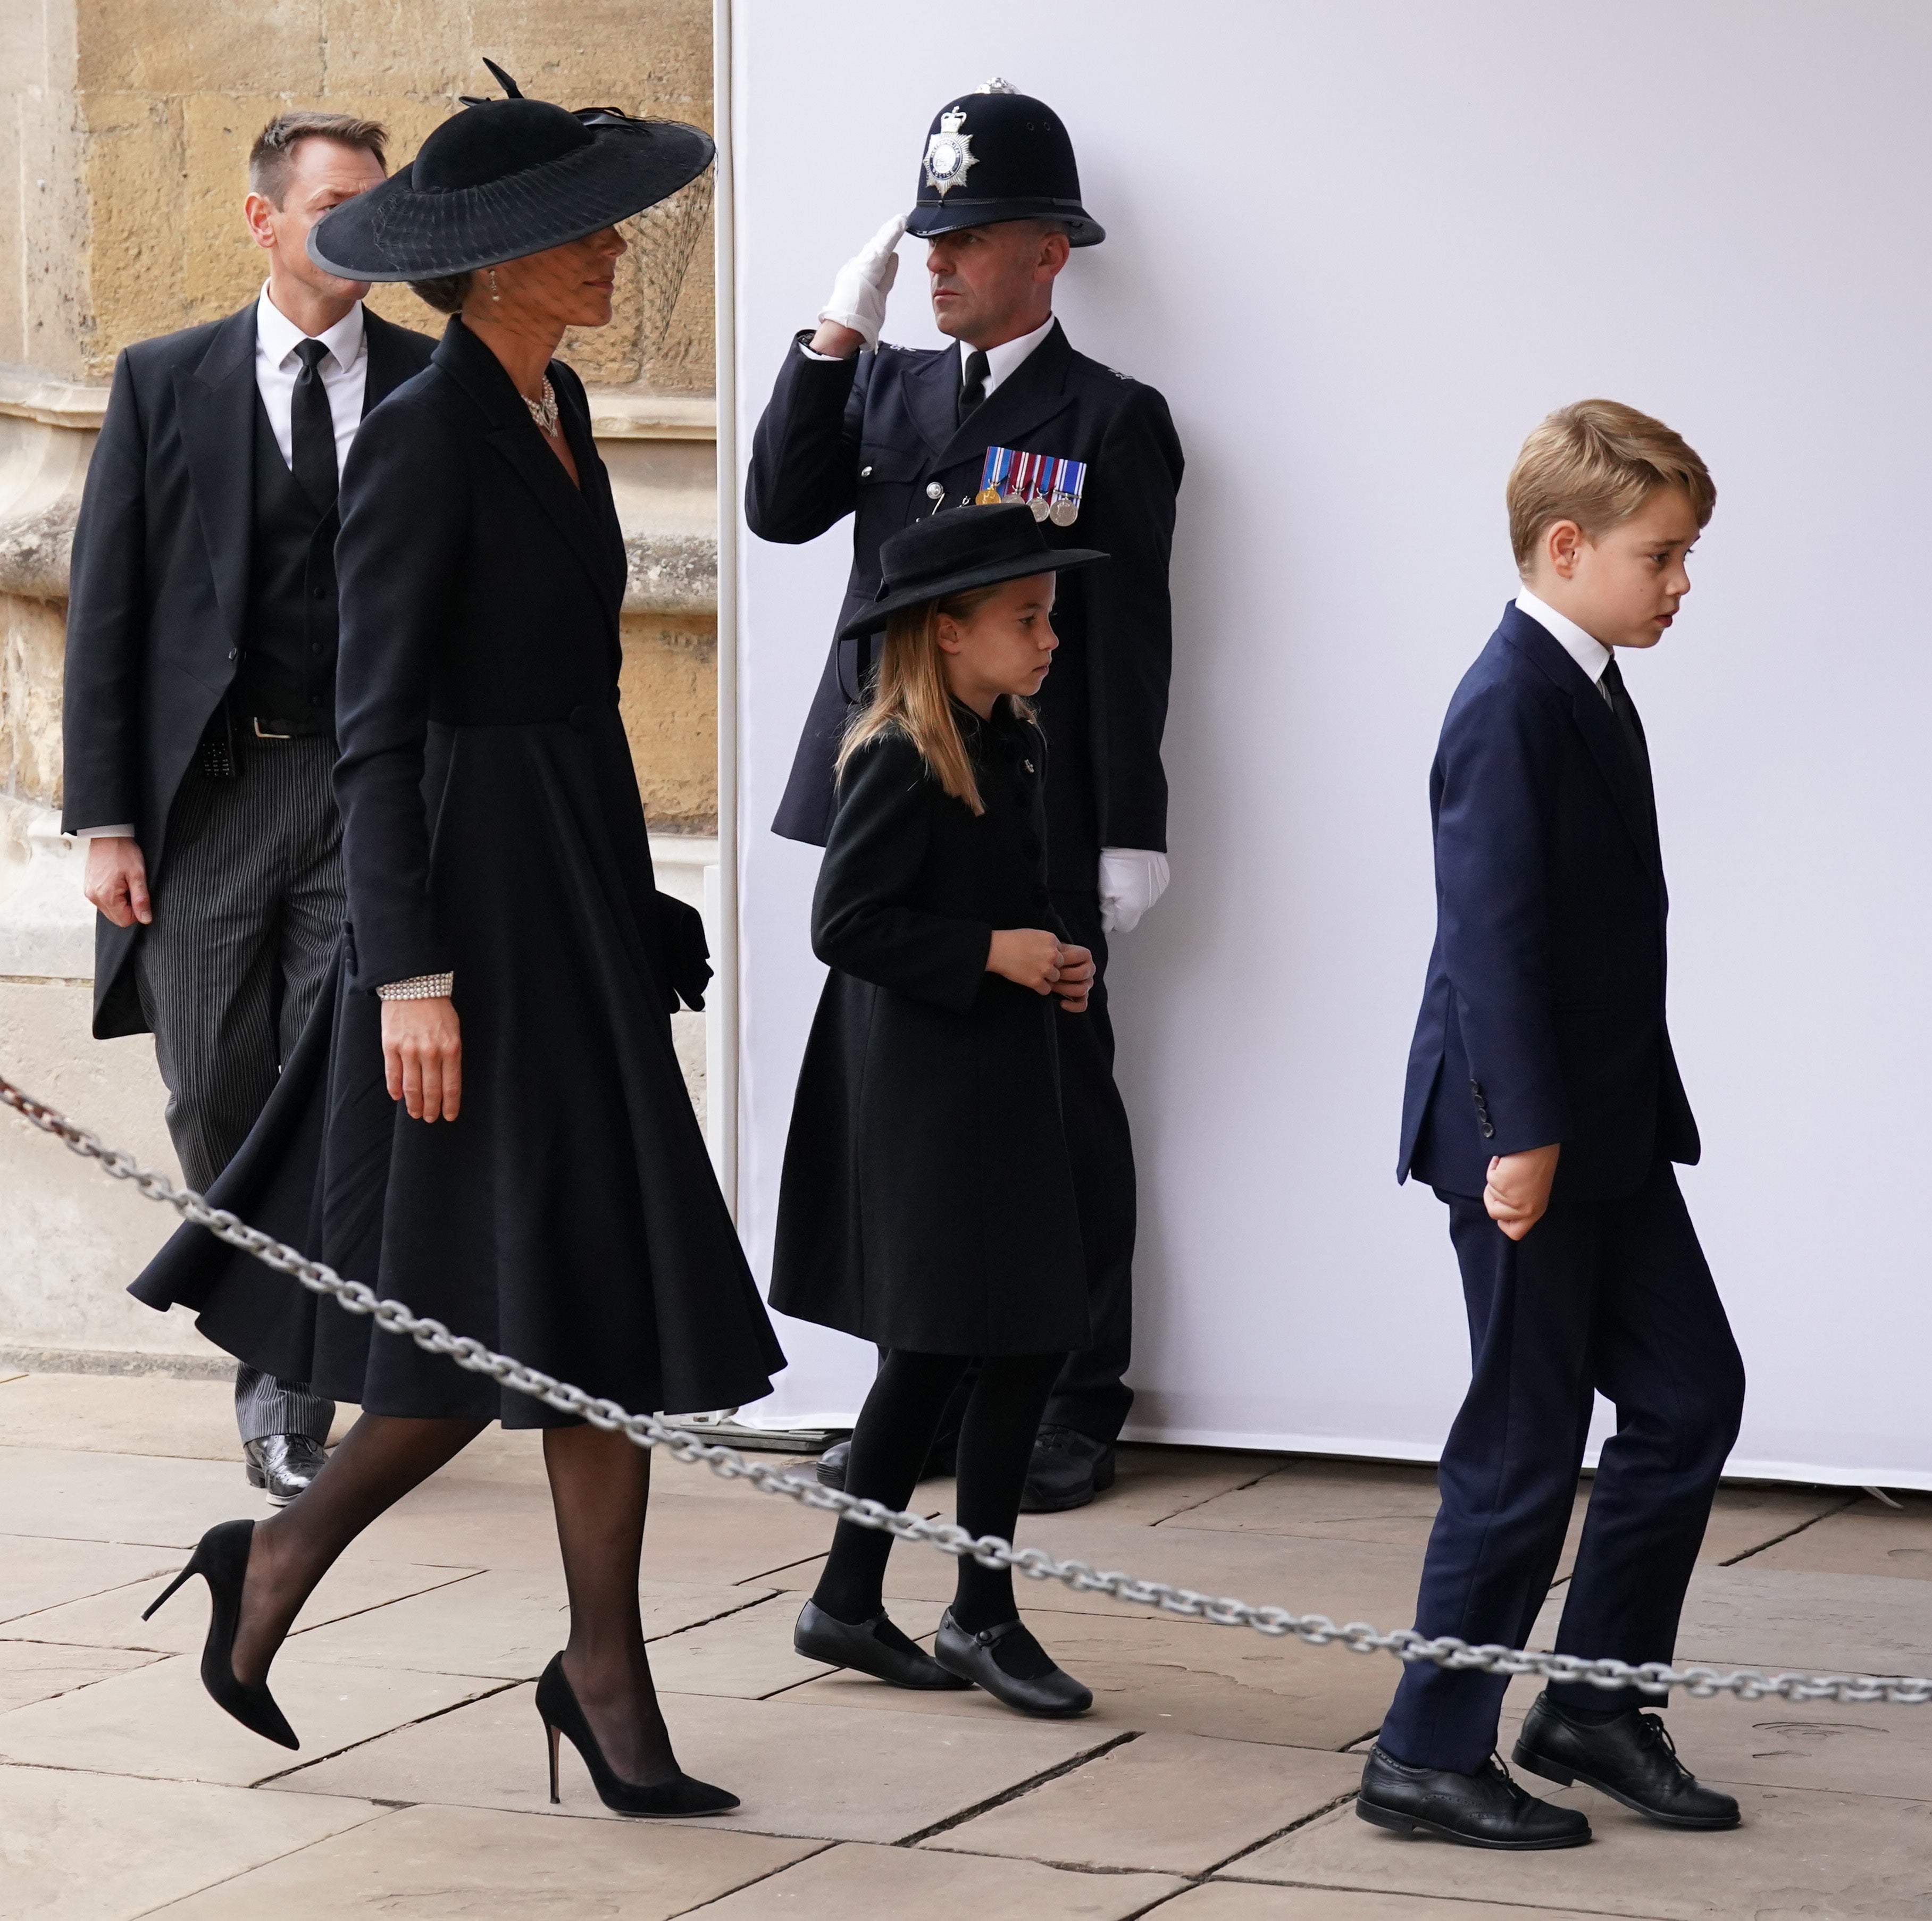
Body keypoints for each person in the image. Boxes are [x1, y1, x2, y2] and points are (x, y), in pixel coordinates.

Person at [129, 68, 784, 1817]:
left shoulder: (551, 399)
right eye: (588, 231)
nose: (618, 250)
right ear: (497, 262)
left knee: (572, 1301)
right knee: (523, 1307)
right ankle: (349, 1588)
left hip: (562, 892)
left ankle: (539, 1650)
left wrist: (628, 888)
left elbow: (564, 690)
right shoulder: (423, 432)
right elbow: (377, 717)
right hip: (462, 919)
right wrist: (407, 971)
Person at [748, 81, 1184, 1513]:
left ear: (1049, 250)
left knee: (1061, 1116)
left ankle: (1074, 1392)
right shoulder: (882, 383)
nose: (936, 262)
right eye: (926, 238)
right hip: (891, 806)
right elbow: (778, 503)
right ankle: (915, 1393)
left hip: (1036, 820)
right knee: (909, 1121)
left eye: (967, 239)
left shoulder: (1111, 416)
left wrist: (1128, 823)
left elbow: (1128, 639)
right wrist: (834, 332)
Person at [1357, 401, 1747, 1849]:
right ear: (1567, 545)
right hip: (1527, 1136)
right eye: (1663, 553)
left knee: (1690, 1393)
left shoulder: (1584, 678)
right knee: (1523, 1442)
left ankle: (1591, 1697)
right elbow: (1492, 933)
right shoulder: (1508, 694)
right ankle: (1421, 1748)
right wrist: (1519, 1134)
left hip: (1608, 1127)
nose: (1681, 581)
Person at [61, 113, 436, 1504]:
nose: (356, 229)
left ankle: (290, 1365)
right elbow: (107, 608)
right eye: (334, 203)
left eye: (374, 207)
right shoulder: (165, 380)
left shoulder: (428, 380)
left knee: (335, 1072)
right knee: (214, 1077)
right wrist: (105, 820)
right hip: (210, 797)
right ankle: (279, 1308)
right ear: (263, 219)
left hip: (366, 787)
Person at [773, 503, 1102, 1715]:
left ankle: (860, 1601)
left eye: (1049, 616)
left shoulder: (1003, 738)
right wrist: (987, 955)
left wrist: (1049, 958)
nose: (1049, 637)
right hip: (925, 1101)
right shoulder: (903, 753)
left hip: (993, 1081)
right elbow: (843, 925)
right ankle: (970, 1611)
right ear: (948, 633)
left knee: (999, 1340)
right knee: (963, 1345)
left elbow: (997, 904)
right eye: (1026, 619)